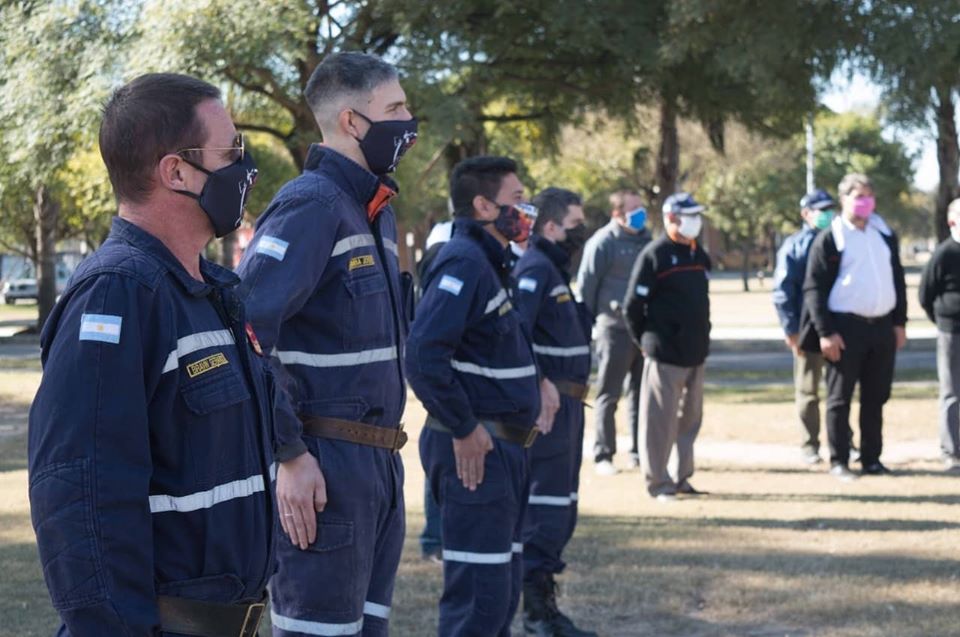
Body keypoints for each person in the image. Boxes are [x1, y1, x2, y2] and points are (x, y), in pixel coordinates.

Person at [28, 73, 274, 636]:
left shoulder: (211, 290)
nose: (245, 166)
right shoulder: (118, 293)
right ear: (177, 171)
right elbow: (81, 494)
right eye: (231, 151)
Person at [236, 52, 416, 635]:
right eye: (396, 109)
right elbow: (246, 330)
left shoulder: (377, 212)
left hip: (380, 465)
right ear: (352, 123)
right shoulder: (310, 206)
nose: (409, 121)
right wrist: (287, 454)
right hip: (324, 469)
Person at [405, 156, 559, 636]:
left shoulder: (492, 264)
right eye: (517, 199)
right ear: (482, 205)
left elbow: (491, 343)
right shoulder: (464, 262)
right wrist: (465, 427)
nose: (526, 209)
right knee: (478, 600)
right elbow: (423, 355)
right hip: (478, 451)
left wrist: (539, 379)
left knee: (499, 595)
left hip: (505, 448)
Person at [514, 188, 596, 637]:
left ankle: (544, 604)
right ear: (550, 227)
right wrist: (539, 383)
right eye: (575, 225)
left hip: (570, 405)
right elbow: (517, 332)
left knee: (562, 503)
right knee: (546, 505)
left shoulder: (554, 270)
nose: (580, 233)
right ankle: (536, 613)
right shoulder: (535, 269)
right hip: (550, 408)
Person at [800, 173, 907, 480]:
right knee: (840, 397)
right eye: (858, 196)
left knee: (876, 396)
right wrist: (825, 332)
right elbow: (814, 289)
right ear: (843, 199)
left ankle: (872, 459)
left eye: (869, 195)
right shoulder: (831, 237)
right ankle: (840, 460)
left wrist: (899, 322)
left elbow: (896, 280)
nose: (865, 202)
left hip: (882, 327)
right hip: (845, 328)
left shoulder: (883, 233)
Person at [623, 192, 711, 501]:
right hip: (665, 353)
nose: (695, 221)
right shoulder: (655, 254)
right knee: (659, 423)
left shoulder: (697, 253)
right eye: (690, 215)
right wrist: (646, 343)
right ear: (671, 218)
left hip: (696, 352)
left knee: (690, 420)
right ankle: (658, 482)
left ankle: (681, 477)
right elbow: (632, 307)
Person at [576, 190, 652, 475]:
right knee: (609, 393)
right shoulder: (603, 243)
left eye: (641, 207)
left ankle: (639, 451)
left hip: (643, 331)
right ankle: (603, 454)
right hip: (613, 329)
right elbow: (586, 288)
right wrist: (594, 324)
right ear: (617, 214)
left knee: (641, 394)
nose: (640, 212)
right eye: (634, 209)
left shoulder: (647, 239)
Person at [772, 189, 837, 465]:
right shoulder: (795, 246)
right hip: (806, 328)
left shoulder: (838, 240)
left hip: (837, 327)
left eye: (829, 209)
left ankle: (843, 442)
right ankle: (810, 444)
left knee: (839, 391)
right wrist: (791, 330)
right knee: (808, 390)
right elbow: (783, 292)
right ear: (806, 213)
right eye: (820, 210)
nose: (826, 215)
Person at [919, 197, 960, 472]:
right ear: (952, 220)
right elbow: (926, 294)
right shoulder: (944, 253)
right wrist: (943, 320)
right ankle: (952, 450)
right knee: (952, 392)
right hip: (952, 331)